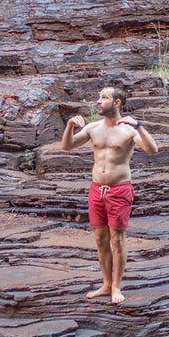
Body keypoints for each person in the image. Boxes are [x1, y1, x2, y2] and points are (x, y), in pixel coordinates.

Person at [61, 85, 158, 304]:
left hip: (119, 190)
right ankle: (105, 285)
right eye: (98, 96)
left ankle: (116, 287)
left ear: (117, 103)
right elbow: (67, 146)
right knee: (100, 239)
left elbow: (152, 150)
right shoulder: (94, 128)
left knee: (117, 239)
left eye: (104, 97)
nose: (98, 101)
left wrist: (139, 127)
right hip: (97, 189)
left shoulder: (129, 130)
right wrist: (69, 126)